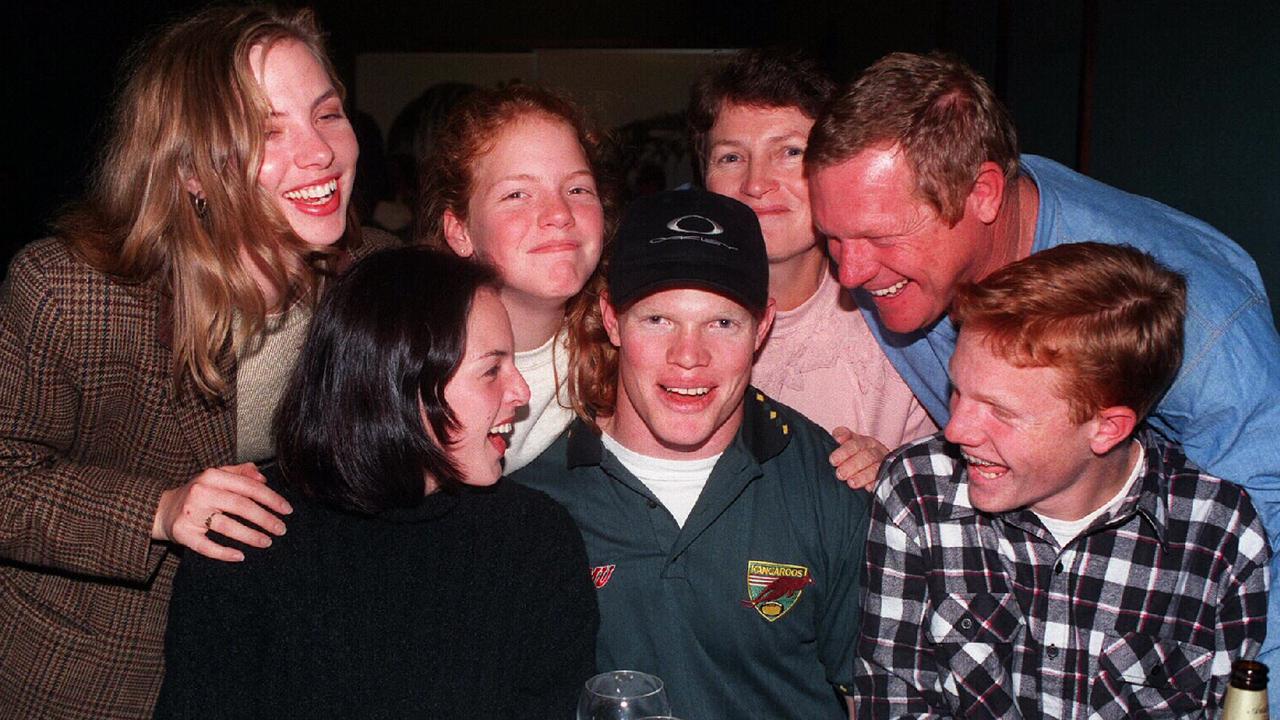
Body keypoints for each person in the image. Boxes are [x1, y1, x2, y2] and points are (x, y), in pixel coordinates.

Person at [806, 50, 1280, 696]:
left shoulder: (1203, 326)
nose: (850, 273)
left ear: (983, 194)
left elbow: (1264, 568)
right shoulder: (891, 269)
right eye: (832, 237)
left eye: (879, 238)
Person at [0, 7, 394, 718]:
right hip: (94, 679)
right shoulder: (71, 293)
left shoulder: (372, 280)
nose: (321, 153)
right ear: (189, 172)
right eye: (267, 131)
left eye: (328, 115)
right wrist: (159, 509)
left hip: (288, 669)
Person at [155, 247, 597, 719]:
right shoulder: (253, 533)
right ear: (399, 383)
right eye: (491, 369)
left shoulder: (533, 540)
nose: (521, 392)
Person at [854, 243, 1269, 717]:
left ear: (1107, 428)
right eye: (958, 390)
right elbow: (892, 698)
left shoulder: (1219, 536)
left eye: (1000, 411)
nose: (956, 429)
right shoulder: (918, 490)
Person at [513, 189, 869, 720]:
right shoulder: (534, 503)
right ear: (612, 320)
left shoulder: (831, 484)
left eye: (722, 323)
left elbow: (874, 695)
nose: (688, 357)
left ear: (762, 328)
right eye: (658, 320)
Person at [689, 48, 934, 488]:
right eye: (730, 157)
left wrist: (896, 475)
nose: (756, 183)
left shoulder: (902, 321)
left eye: (789, 152)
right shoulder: (660, 324)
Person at [422, 83, 610, 473]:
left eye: (577, 188)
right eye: (517, 195)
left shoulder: (628, 345)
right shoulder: (411, 365)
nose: (559, 213)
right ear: (460, 232)